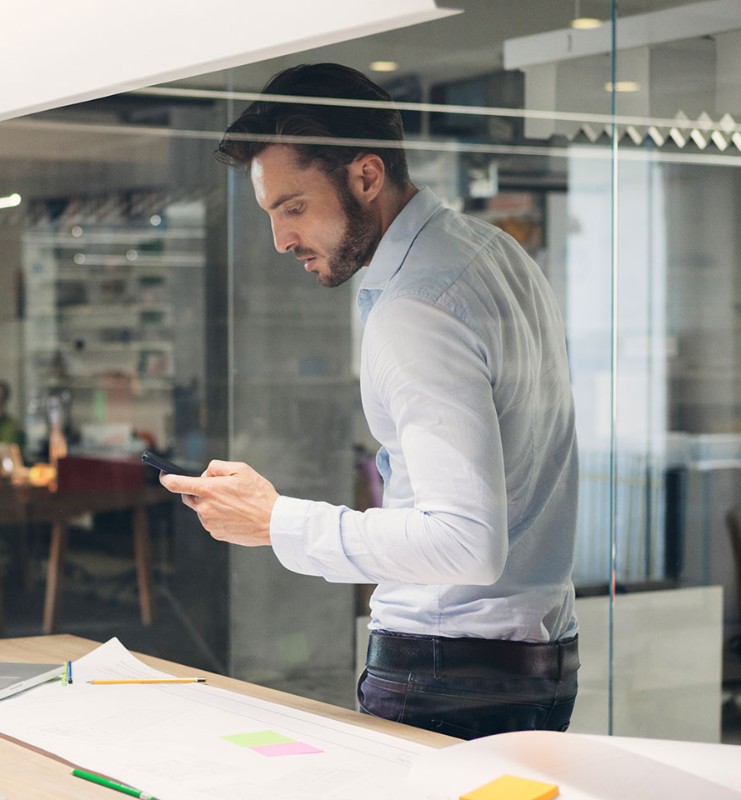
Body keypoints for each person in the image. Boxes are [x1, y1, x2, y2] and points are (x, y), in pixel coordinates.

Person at [158, 64, 580, 740]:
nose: (281, 240)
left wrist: (277, 520)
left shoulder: (417, 307)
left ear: (365, 176)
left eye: (293, 207)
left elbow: (465, 542)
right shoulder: (496, 255)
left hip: (450, 666)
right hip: (540, 656)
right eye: (271, 214)